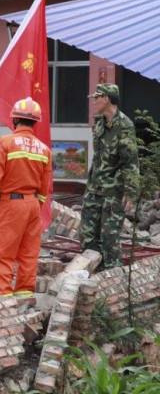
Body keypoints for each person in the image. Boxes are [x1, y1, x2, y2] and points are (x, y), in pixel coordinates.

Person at [0, 97, 52, 301]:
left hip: (12, 203)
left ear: (14, 120)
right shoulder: (44, 149)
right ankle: (25, 296)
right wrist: (35, 206)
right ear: (35, 122)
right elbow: (45, 187)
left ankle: (1, 297)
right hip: (34, 204)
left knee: (1, 251)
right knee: (28, 253)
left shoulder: (6, 142)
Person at [79, 83, 139, 271]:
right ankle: (93, 276)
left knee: (109, 240)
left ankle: (112, 280)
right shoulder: (99, 124)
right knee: (87, 235)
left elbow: (131, 161)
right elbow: (97, 160)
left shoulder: (125, 125)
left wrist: (130, 193)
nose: (93, 102)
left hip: (113, 192)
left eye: (96, 98)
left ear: (106, 99)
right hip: (94, 189)